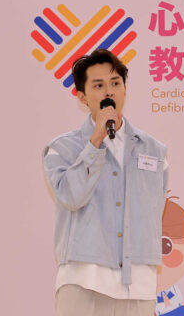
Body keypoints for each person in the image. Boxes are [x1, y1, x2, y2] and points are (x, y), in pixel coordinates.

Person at [42, 49, 168, 316]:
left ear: (125, 90)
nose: (109, 92)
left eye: (115, 83)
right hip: (83, 278)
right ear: (82, 96)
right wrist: (95, 142)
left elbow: (155, 209)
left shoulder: (154, 151)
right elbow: (71, 197)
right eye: (98, 85)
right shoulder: (61, 149)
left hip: (138, 283)